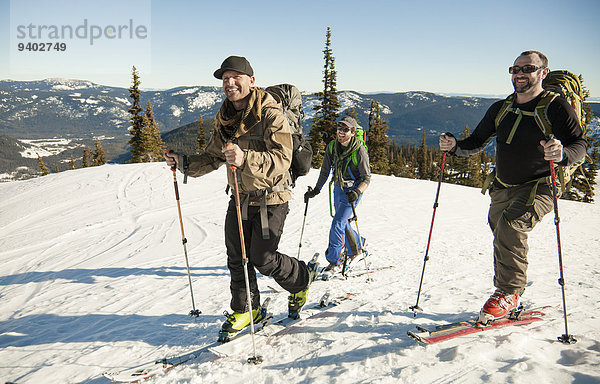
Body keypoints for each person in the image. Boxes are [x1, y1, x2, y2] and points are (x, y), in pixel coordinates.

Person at [164, 56, 318, 338]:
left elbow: (282, 159)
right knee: (236, 257)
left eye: (236, 77)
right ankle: (247, 309)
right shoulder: (225, 118)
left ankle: (302, 280)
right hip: (240, 197)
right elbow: (212, 157)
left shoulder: (271, 114)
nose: (230, 83)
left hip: (272, 197)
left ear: (251, 81)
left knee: (264, 259)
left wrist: (245, 157)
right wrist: (183, 163)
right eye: (225, 79)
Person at [439, 51, 587, 323]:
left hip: (540, 186)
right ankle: (508, 292)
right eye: (515, 68)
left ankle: (509, 293)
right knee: (501, 233)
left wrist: (562, 153)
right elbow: (477, 140)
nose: (519, 73)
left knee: (511, 226)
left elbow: (580, 144)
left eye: (528, 68)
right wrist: (456, 146)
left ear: (543, 72)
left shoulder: (555, 106)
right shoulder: (501, 108)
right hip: (503, 185)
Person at [304, 116, 371, 275]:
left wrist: (357, 192)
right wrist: (316, 189)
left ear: (353, 132)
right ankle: (358, 245)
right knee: (342, 222)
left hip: (352, 191)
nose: (341, 132)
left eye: (345, 129)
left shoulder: (359, 150)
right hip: (338, 188)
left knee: (337, 223)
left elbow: (367, 178)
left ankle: (334, 260)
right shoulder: (333, 146)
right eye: (339, 128)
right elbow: (325, 170)